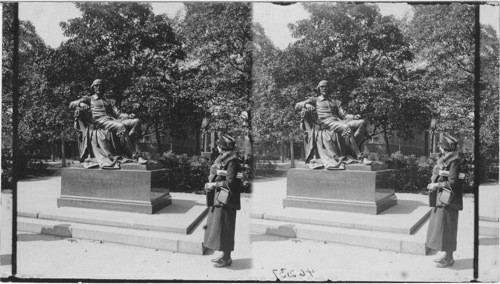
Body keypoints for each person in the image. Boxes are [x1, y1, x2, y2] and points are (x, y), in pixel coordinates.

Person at [295, 80, 371, 169]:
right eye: (322, 87)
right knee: (347, 127)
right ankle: (360, 156)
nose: (324, 88)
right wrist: (306, 105)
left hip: (338, 122)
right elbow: (297, 105)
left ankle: (351, 150)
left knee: (361, 123)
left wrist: (354, 117)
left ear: (329, 88)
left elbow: (344, 115)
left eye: (326, 86)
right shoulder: (315, 100)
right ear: (318, 89)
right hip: (325, 123)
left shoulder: (335, 102)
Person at [69, 79, 144, 168]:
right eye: (96, 85)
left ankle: (126, 145)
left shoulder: (110, 101)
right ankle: (135, 155)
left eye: (100, 85)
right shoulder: (89, 99)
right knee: (121, 126)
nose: (98, 87)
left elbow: (119, 114)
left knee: (136, 121)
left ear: (104, 87)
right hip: (100, 122)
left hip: (112, 120)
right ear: (93, 87)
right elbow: (71, 104)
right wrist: (81, 104)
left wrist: (128, 116)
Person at [203, 134, 242, 268]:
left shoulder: (232, 161)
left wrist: (214, 185)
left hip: (227, 199)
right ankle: (223, 254)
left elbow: (231, 182)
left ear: (222, 147)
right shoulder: (223, 159)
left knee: (226, 228)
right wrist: (211, 183)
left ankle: (227, 258)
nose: (217, 147)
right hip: (221, 197)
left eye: (219, 145)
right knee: (219, 227)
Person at [426, 133, 464, 268]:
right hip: (443, 199)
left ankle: (449, 258)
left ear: (445, 148)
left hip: (450, 200)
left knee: (448, 228)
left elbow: (453, 183)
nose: (439, 148)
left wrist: (436, 184)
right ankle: (446, 255)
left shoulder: (454, 161)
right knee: (443, 229)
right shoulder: (445, 160)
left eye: (441, 146)